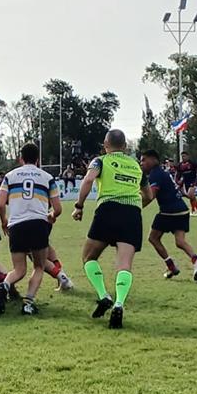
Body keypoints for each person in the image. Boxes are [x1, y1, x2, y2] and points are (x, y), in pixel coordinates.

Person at [72, 129, 144, 329]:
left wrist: (79, 206)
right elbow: (147, 194)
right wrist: (135, 208)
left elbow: (87, 180)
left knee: (88, 257)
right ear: (125, 146)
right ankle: (119, 303)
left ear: (105, 144)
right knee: (124, 264)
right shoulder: (136, 165)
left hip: (108, 210)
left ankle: (104, 295)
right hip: (132, 214)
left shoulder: (100, 161)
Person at [0, 143, 61, 315]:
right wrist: (52, 216)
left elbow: (0, 204)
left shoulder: (9, 176)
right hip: (38, 224)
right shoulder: (47, 177)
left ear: (20, 158)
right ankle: (28, 303)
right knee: (38, 267)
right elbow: (58, 208)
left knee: (19, 270)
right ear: (38, 160)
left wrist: (3, 222)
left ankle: (5, 285)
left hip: (16, 225)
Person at [141, 149, 197, 281]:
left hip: (168, 212)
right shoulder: (162, 173)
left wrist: (136, 207)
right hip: (182, 210)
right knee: (180, 242)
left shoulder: (155, 174)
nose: (141, 163)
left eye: (143, 160)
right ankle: (196, 259)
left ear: (153, 160)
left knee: (153, 238)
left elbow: (151, 196)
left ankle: (171, 266)